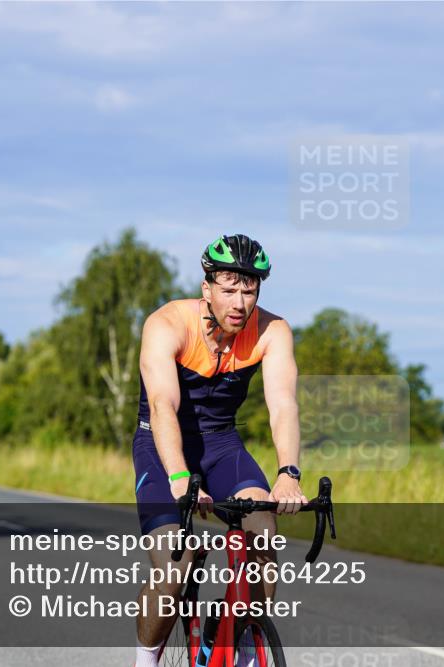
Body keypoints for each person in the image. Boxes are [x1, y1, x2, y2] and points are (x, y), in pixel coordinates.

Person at [132, 234, 304, 667]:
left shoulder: (273, 331)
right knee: (176, 562)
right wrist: (179, 477)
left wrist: (288, 473)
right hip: (162, 445)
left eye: (249, 290)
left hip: (221, 445)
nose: (240, 302)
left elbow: (282, 402)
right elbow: (162, 406)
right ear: (207, 288)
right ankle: (145, 659)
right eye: (229, 289)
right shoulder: (167, 324)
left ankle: (241, 640)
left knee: (263, 532)